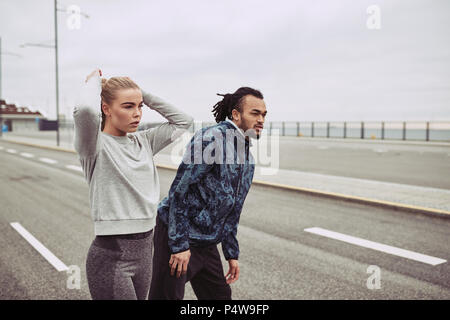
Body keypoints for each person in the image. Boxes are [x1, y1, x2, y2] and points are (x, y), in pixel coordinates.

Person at [73, 69, 193, 300]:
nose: (137, 113)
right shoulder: (94, 146)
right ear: (106, 109)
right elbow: (86, 110)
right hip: (110, 258)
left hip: (145, 254)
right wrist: (94, 82)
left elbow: (183, 121)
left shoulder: (144, 141)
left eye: (140, 107)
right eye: (128, 106)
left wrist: (139, 94)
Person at [149, 87, 267, 300]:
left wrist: (231, 253)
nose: (261, 119)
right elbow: (179, 192)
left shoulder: (247, 158)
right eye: (255, 113)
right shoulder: (212, 139)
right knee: (165, 297)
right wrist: (179, 245)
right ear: (236, 114)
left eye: (264, 115)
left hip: (206, 242)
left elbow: (233, 208)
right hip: (178, 236)